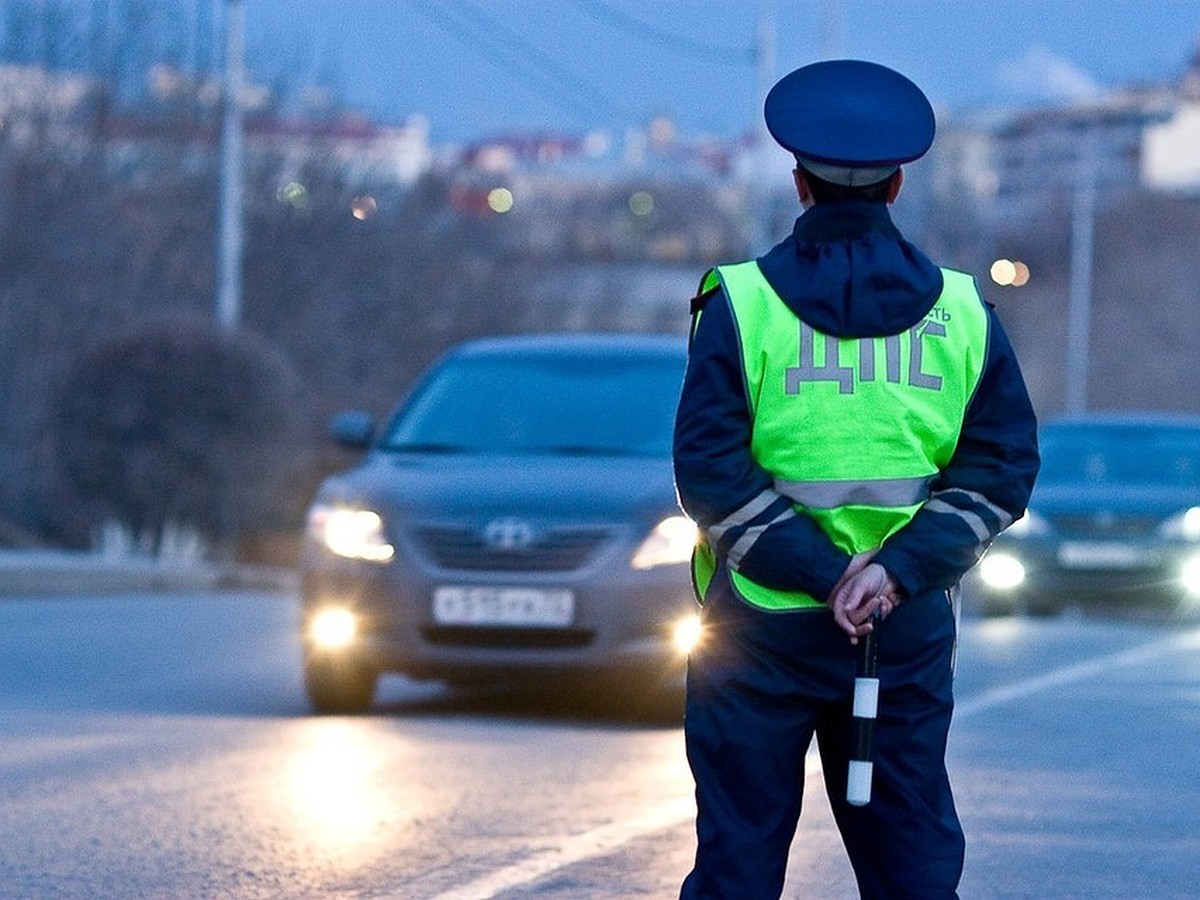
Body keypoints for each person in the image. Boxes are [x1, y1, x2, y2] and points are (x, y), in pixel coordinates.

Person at [672, 59, 1040, 899]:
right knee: (910, 870)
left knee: (738, 864)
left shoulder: (740, 302)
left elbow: (709, 472)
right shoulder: (962, 312)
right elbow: (1000, 469)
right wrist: (889, 574)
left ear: (797, 180)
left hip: (756, 636)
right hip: (899, 635)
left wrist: (819, 572)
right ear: (899, 184)